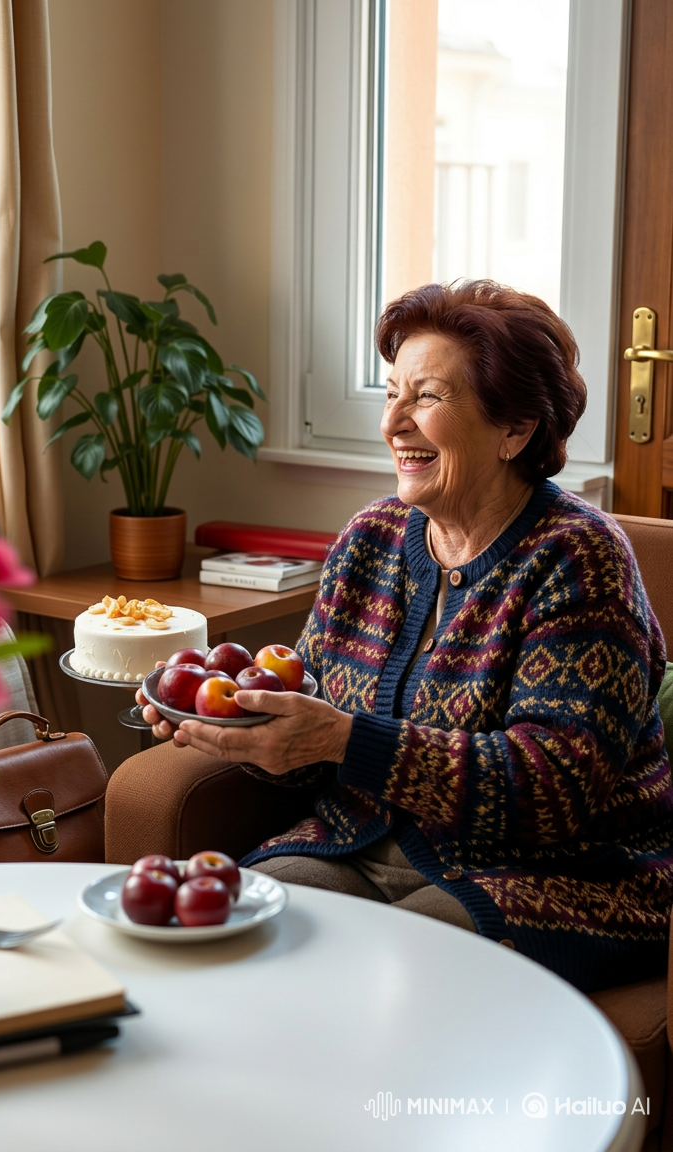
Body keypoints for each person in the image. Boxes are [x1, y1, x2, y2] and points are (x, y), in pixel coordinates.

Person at [138, 280, 673, 993]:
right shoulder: (371, 539)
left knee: (390, 971)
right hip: (355, 843)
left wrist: (342, 740)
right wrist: (244, 731)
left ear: (514, 429)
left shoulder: (578, 558)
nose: (393, 422)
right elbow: (312, 727)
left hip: (553, 874)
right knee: (239, 939)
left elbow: (554, 788)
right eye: (392, 393)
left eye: (427, 397)